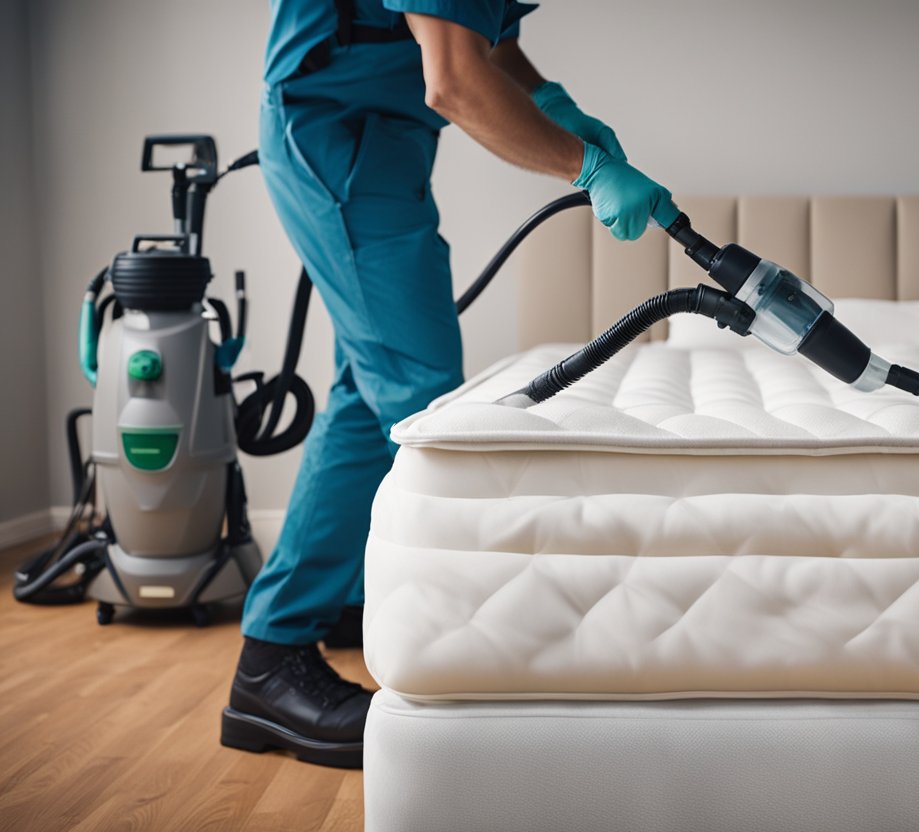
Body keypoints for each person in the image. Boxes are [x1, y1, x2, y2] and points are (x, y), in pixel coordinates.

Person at [221, 0, 678, 769]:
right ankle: (303, 653)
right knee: (421, 392)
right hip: (337, 130)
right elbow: (455, 81)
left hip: (382, 141)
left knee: (369, 400)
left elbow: (489, 46)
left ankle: (289, 644)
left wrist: (554, 104)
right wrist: (585, 167)